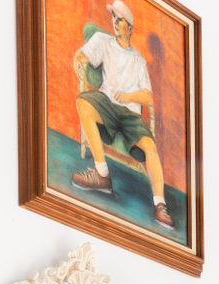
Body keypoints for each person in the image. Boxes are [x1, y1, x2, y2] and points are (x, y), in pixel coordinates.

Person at [71, 1, 173, 229]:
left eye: (121, 20)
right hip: (107, 103)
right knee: (84, 102)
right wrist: (78, 59)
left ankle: (160, 204)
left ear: (130, 28)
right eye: (114, 19)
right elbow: (83, 55)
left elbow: (148, 98)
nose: (116, 24)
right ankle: (102, 174)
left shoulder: (137, 60)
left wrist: (129, 98)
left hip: (130, 115)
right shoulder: (102, 41)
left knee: (149, 146)